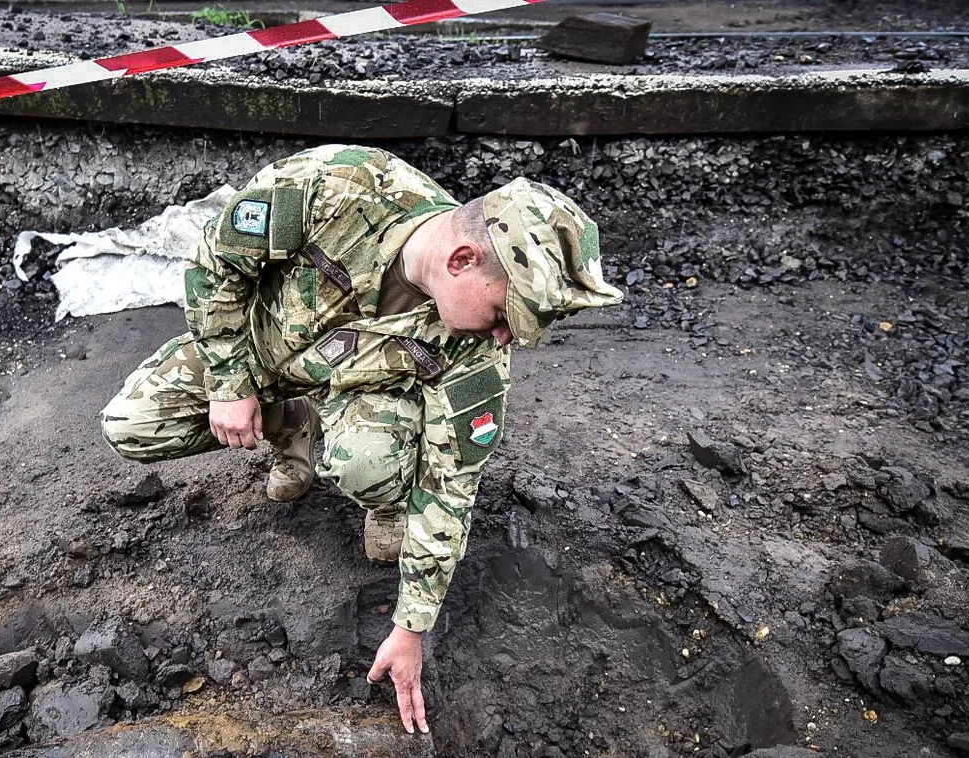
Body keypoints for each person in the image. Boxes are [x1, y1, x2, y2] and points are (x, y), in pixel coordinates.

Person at [100, 144, 623, 734]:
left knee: (369, 460)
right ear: (461, 259)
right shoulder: (340, 186)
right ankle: (290, 426)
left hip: (356, 395)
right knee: (132, 425)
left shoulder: (478, 350)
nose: (504, 337)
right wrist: (228, 380)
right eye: (504, 313)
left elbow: (451, 481)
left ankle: (372, 488)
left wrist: (411, 628)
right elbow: (214, 262)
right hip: (255, 354)